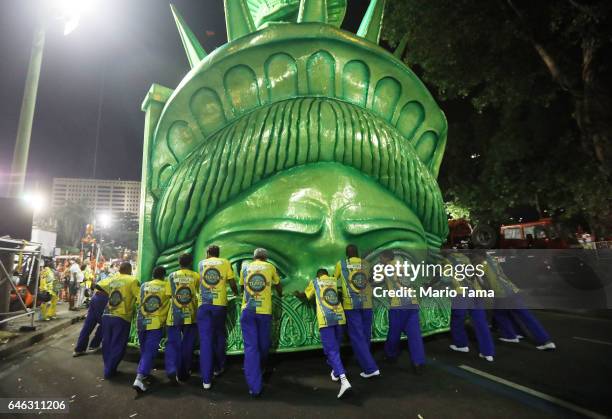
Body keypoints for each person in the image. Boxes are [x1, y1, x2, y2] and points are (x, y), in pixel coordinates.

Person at [476, 252, 556, 351]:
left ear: (479, 256)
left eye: (476, 257)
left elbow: (482, 282)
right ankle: (545, 340)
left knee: (500, 314)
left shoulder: (481, 265)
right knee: (525, 316)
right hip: (512, 289)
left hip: (502, 294)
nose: (475, 259)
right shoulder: (492, 260)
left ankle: (510, 336)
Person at [294, 268, 352, 399]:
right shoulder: (333, 281)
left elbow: (305, 295)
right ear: (327, 274)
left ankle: (344, 380)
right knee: (335, 349)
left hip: (326, 320)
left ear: (318, 275)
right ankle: (336, 373)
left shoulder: (315, 282)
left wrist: (298, 294)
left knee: (331, 351)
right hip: (340, 318)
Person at [239, 248, 282, 396]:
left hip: (248, 310)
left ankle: (254, 387)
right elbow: (278, 285)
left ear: (254, 257)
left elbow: (241, 287)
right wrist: (280, 294)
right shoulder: (270, 267)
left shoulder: (245, 267)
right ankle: (261, 367)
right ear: (265, 257)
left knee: (251, 348)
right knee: (263, 344)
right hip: (264, 311)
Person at [334, 244, 380, 378]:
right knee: (365, 334)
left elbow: (333, 280)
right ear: (357, 253)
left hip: (351, 305)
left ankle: (370, 368)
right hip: (367, 303)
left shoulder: (341, 264)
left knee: (357, 336)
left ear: (347, 254)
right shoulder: (366, 263)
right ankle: (365, 362)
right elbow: (371, 279)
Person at [197, 245, 238, 390]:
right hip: (220, 304)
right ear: (218, 254)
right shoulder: (225, 262)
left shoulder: (201, 263)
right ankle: (219, 367)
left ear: (208, 253)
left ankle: (206, 379)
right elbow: (232, 281)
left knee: (206, 340)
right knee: (219, 334)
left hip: (204, 304)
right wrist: (236, 293)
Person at [379, 250, 427, 373]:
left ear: (386, 257)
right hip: (412, 302)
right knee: (414, 334)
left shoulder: (386, 268)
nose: (380, 259)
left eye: (381, 257)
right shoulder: (401, 265)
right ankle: (418, 363)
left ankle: (390, 356)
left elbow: (376, 281)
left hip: (398, 304)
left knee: (394, 332)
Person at [445, 252, 495, 362]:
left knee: (457, 319)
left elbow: (443, 278)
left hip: (461, 294)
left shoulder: (446, 260)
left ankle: (461, 345)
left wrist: (429, 286)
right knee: (481, 322)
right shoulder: (465, 257)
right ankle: (487, 352)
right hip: (476, 292)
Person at [96, 261, 140, 378]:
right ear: (129, 270)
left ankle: (108, 368)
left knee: (107, 343)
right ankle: (110, 370)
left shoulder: (113, 278)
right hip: (122, 317)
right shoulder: (132, 280)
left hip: (107, 314)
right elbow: (140, 297)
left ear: (120, 270)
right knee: (118, 344)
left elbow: (98, 285)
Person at [133, 266, 172, 393]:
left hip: (141, 322)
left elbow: (139, 301)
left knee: (145, 351)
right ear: (163, 276)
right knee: (149, 351)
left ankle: (144, 374)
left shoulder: (144, 285)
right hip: (155, 323)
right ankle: (139, 377)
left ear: (153, 275)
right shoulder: (166, 285)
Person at [165, 253, 200, 382]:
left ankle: (171, 370)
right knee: (187, 345)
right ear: (190, 263)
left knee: (173, 344)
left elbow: (169, 295)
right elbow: (198, 293)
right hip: (190, 315)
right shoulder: (195, 276)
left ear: (179, 263)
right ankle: (183, 373)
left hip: (174, 316)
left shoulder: (171, 276)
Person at [73, 278, 110, 357]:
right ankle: (94, 345)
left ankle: (79, 349)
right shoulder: (115, 280)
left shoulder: (107, 279)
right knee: (104, 324)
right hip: (104, 298)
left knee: (87, 327)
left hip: (95, 297)